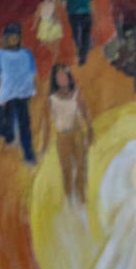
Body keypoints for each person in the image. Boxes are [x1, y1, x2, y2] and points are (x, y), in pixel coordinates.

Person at [37, 62, 94, 204]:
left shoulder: (76, 94)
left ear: (69, 77)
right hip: (62, 137)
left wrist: (90, 130)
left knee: (81, 165)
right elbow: (46, 125)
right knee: (66, 169)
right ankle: (69, 198)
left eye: (64, 75)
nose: (62, 78)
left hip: (77, 133)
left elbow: (85, 112)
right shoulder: (51, 100)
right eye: (59, 76)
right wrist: (43, 146)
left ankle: (81, 195)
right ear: (55, 80)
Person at [0, 23, 38, 165]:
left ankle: (29, 154)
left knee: (24, 124)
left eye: (15, 37)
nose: (13, 40)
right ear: (5, 38)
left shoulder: (26, 54)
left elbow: (33, 74)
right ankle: (9, 136)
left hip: (24, 94)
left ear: (19, 38)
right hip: (6, 95)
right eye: (10, 37)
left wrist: (36, 91)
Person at [59, 0, 97, 66]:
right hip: (73, 16)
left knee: (85, 35)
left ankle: (83, 57)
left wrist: (94, 15)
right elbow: (59, 0)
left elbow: (92, 2)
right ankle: (82, 50)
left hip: (86, 15)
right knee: (77, 35)